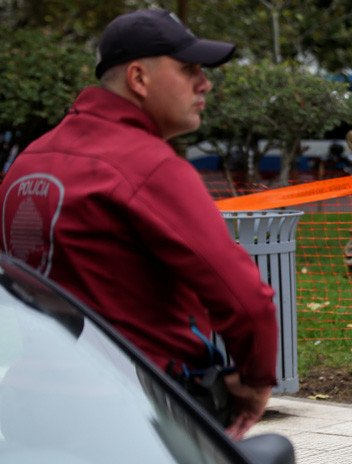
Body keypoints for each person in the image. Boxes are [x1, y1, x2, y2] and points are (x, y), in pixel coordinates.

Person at [0, 9, 277, 439]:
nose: (205, 84)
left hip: (34, 404)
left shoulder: (29, 164)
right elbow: (244, 299)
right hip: (136, 410)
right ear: (138, 78)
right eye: (188, 70)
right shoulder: (146, 166)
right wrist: (257, 382)